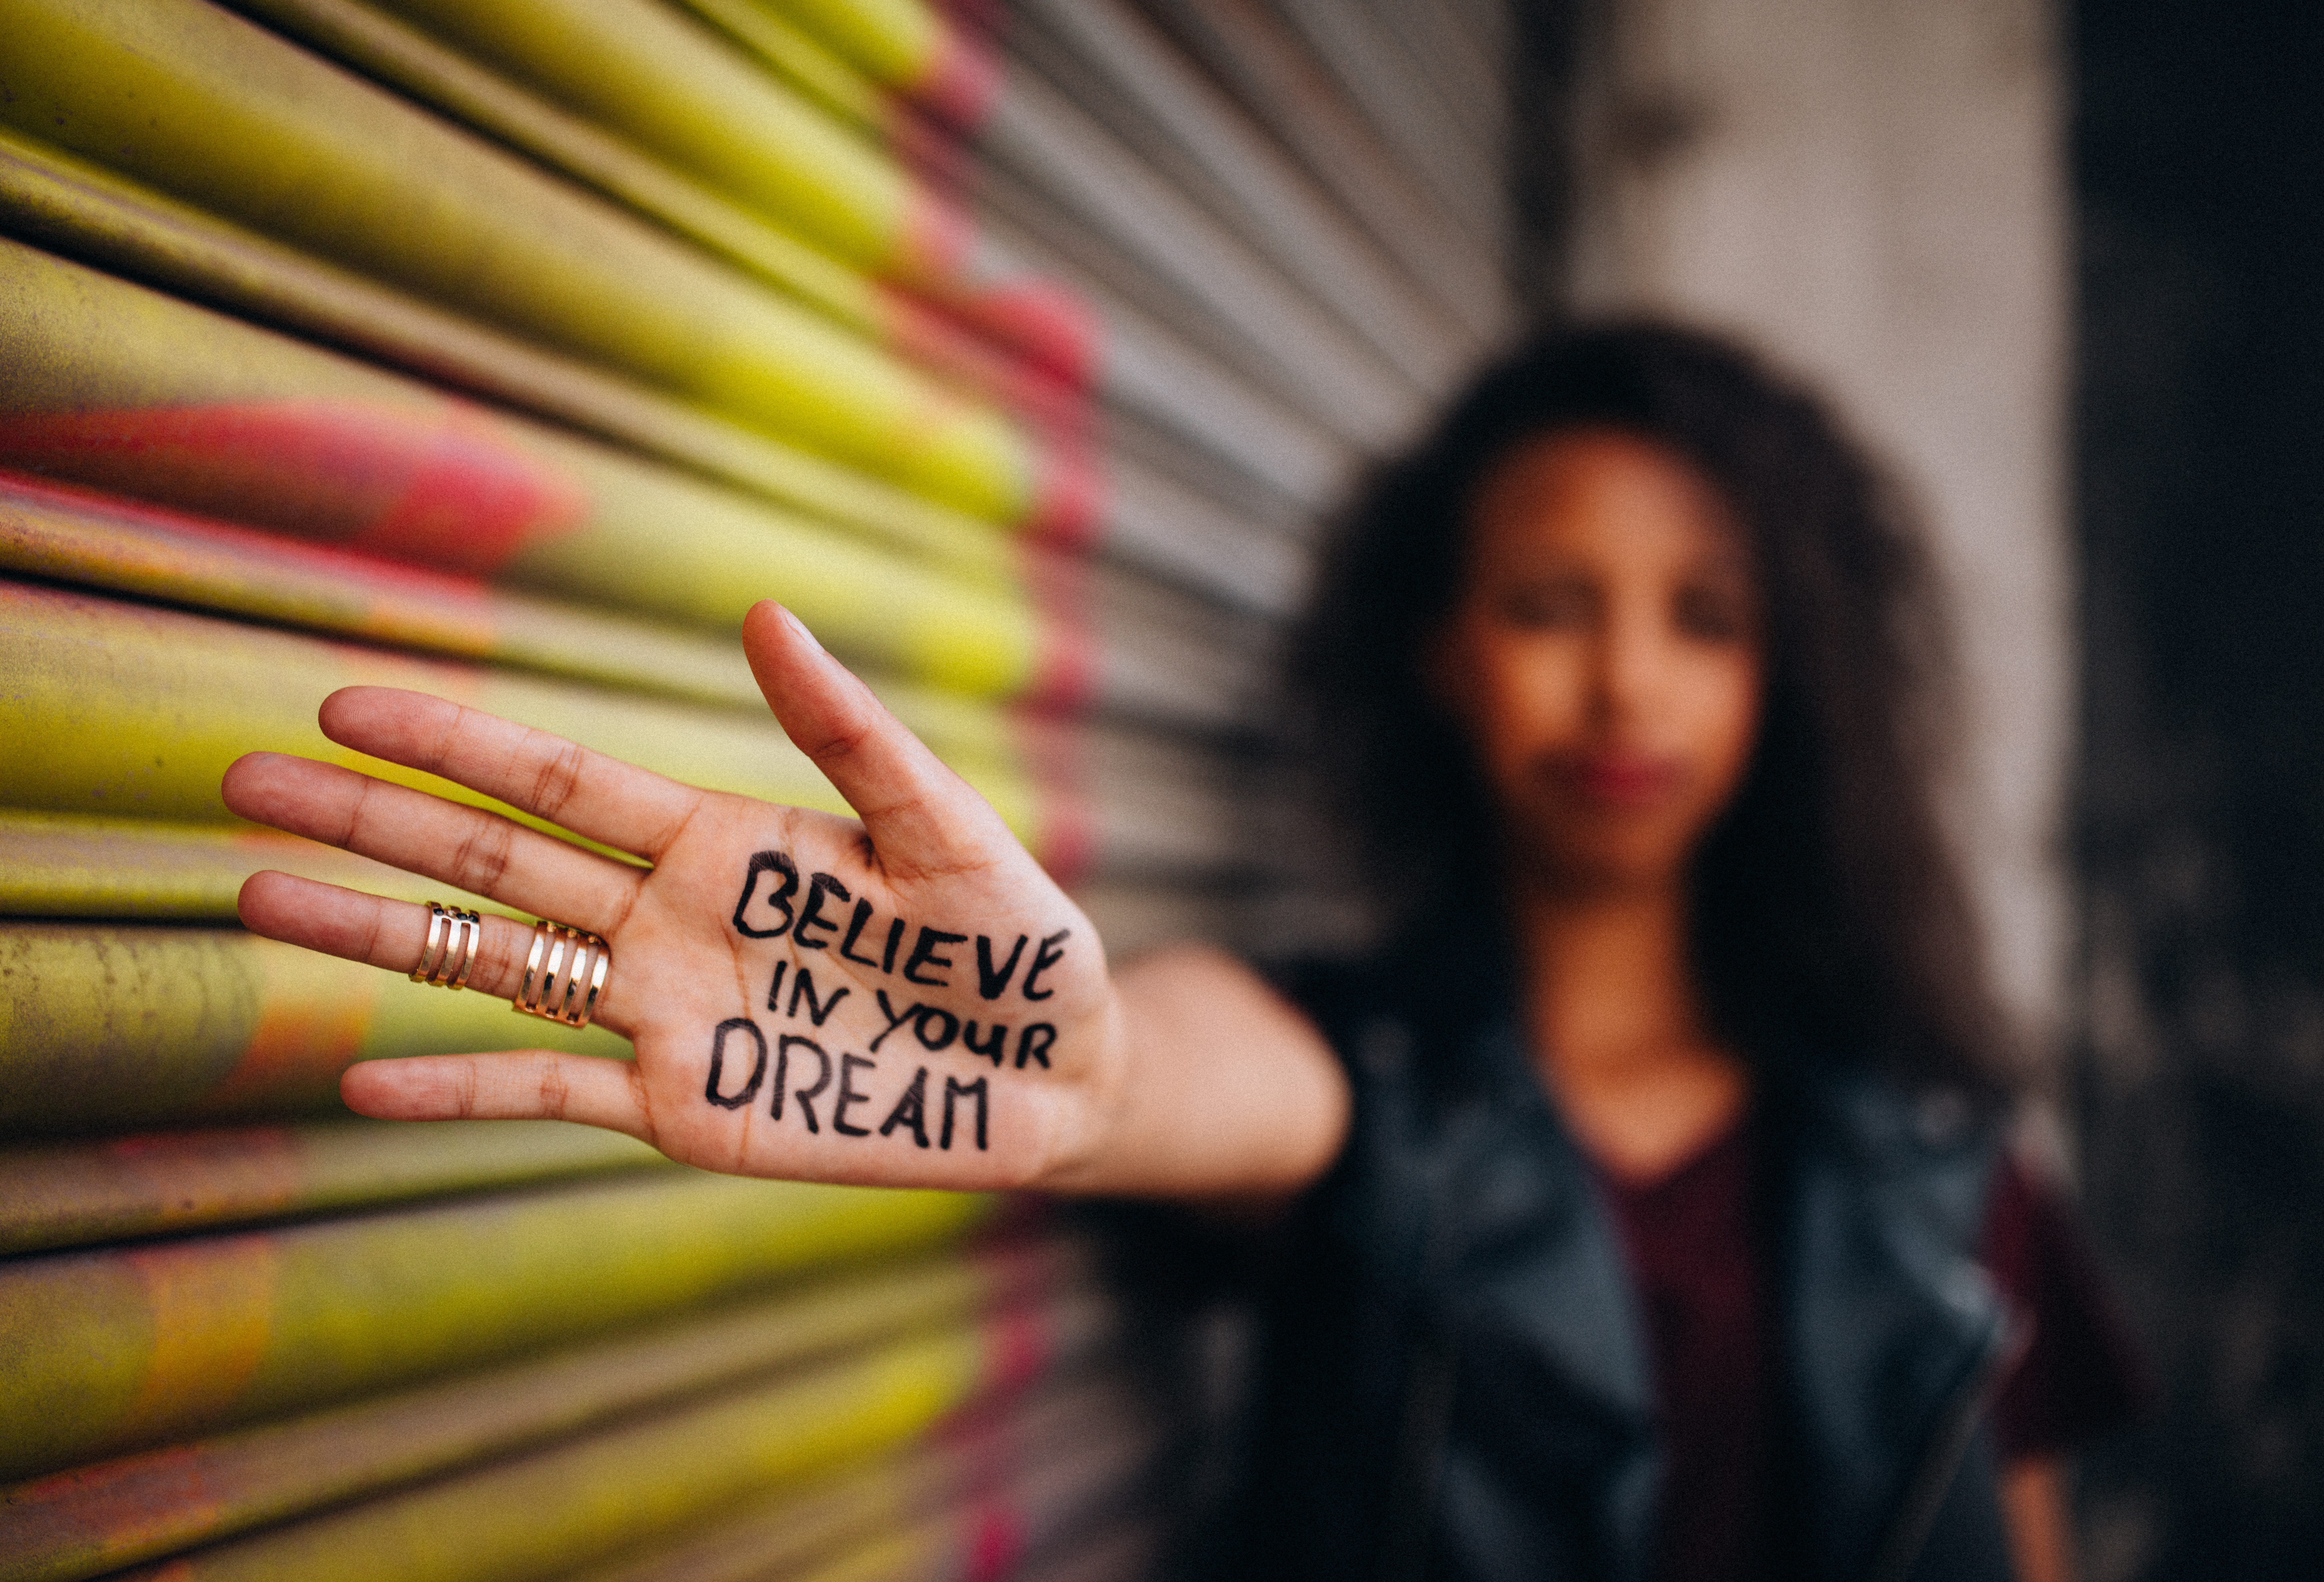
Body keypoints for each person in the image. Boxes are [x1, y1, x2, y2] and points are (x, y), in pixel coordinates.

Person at [223, 324, 2139, 1582]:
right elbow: (1192, 1074)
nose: (1627, 681)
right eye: (1553, 605)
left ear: (1789, 674)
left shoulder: (1947, 1170)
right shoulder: (1348, 1067)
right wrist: (1088, 1079)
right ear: (1442, 655)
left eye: (1704, 616)